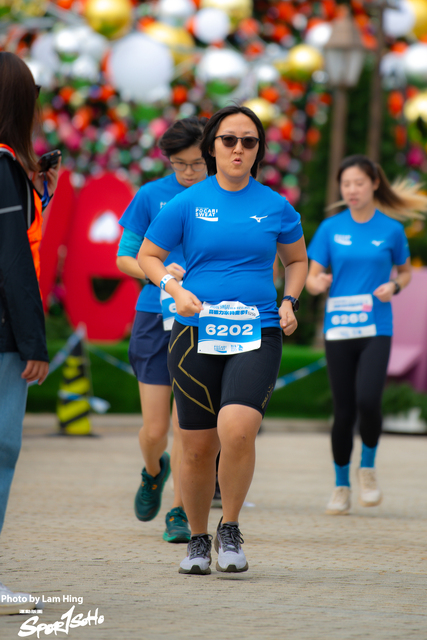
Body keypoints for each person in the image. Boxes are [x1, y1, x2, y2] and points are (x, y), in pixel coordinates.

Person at [139, 105, 307, 575]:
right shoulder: (187, 202)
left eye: (249, 141)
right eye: (229, 139)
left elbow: (296, 261)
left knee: (237, 429)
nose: (238, 148)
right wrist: (174, 290)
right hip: (196, 332)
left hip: (258, 330)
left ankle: (229, 527)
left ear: (258, 150)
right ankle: (197, 539)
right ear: (212, 146)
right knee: (196, 446)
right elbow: (148, 256)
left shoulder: (276, 205)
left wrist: (290, 301)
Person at [306, 154, 427, 515]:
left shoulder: (391, 230)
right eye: (346, 184)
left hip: (376, 327)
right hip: (339, 328)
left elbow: (404, 272)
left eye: (359, 183)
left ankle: (368, 469)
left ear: (374, 183)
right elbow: (311, 278)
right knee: (343, 410)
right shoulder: (330, 228)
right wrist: (318, 282)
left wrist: (395, 287)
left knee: (369, 401)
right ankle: (341, 485)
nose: (352, 190)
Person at [117, 117, 208, 544]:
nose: (188, 172)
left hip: (205, 319)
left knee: (187, 427)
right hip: (155, 316)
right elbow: (125, 257)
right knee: (155, 432)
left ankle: (179, 511)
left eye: (196, 163)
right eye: (179, 164)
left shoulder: (225, 196)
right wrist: (161, 276)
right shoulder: (151, 195)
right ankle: (153, 471)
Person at [0, 52, 59, 614]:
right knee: (1, 448)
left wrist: (40, 196)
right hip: (1, 337)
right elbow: (14, 259)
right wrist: (33, 343)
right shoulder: (3, 165)